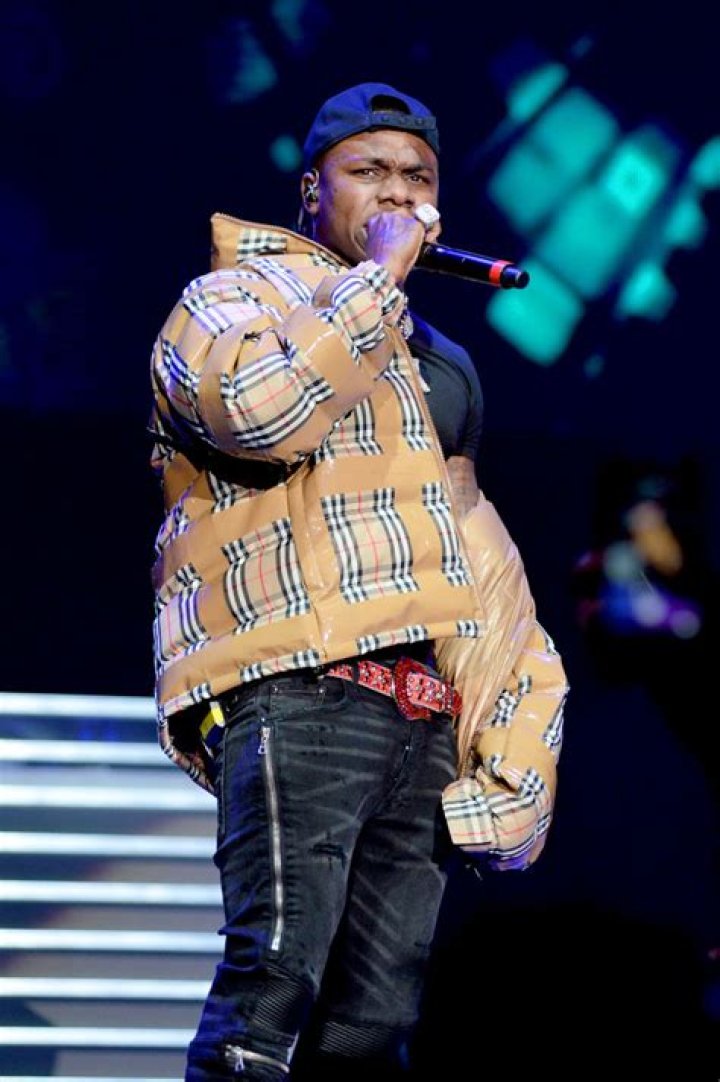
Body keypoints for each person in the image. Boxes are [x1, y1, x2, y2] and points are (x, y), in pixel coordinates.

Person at [148, 82, 568, 1081]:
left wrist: (521, 728)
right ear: (311, 190)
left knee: (375, 1027)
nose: (398, 194)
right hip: (299, 688)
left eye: (417, 177)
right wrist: (377, 278)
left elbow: (477, 555)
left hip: (420, 716)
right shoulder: (228, 302)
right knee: (272, 985)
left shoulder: (442, 364)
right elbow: (263, 414)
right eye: (368, 171)